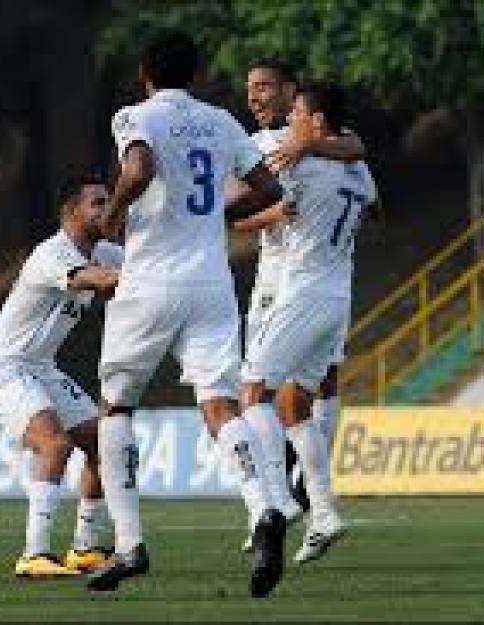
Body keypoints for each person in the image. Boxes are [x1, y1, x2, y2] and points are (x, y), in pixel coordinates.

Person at [86, 31, 287, 598]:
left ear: (145, 72)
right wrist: (217, 216)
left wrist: (114, 216)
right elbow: (267, 186)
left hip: (148, 279)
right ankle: (264, 506)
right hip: (210, 283)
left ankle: (129, 544)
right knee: (220, 404)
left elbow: (140, 167)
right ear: (197, 75)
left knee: (117, 405)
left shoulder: (135, 114)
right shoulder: (222, 122)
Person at [239, 82, 377, 564]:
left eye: (298, 111)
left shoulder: (287, 153)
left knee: (253, 391)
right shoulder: (357, 167)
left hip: (301, 291)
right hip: (338, 294)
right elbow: (373, 206)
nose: (291, 120)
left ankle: (275, 501)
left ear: (315, 122)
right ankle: (323, 513)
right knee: (296, 402)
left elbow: (240, 194)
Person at [0, 172, 122, 578]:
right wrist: (144, 279)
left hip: (40, 368)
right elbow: (91, 279)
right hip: (4, 368)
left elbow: (140, 264)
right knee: (55, 445)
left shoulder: (106, 252)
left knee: (103, 445)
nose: (107, 208)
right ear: (71, 211)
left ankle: (85, 548)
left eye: (109, 200)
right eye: (98, 202)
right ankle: (34, 554)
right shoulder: (51, 254)